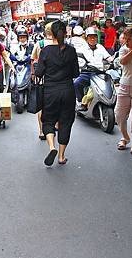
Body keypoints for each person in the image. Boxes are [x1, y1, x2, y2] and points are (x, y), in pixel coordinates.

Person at [35, 20, 79, 166]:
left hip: (50, 91)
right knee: (66, 122)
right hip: (67, 91)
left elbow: (39, 73)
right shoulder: (71, 51)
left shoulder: (46, 51)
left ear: (51, 34)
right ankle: (61, 156)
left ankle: (52, 147)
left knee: (48, 120)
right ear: (65, 33)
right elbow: (76, 73)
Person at [74, 27, 113, 111]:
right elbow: (78, 60)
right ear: (87, 38)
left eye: (94, 37)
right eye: (90, 37)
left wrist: (113, 60)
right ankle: (81, 102)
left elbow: (108, 57)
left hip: (100, 73)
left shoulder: (100, 47)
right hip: (87, 73)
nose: (92, 39)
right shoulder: (82, 49)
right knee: (77, 83)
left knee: (110, 85)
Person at [31, 22, 55, 140]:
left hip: (41, 79)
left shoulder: (39, 44)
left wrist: (32, 74)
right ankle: (54, 126)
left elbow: (33, 60)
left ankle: (41, 131)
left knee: (41, 106)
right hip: (56, 80)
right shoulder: (60, 44)